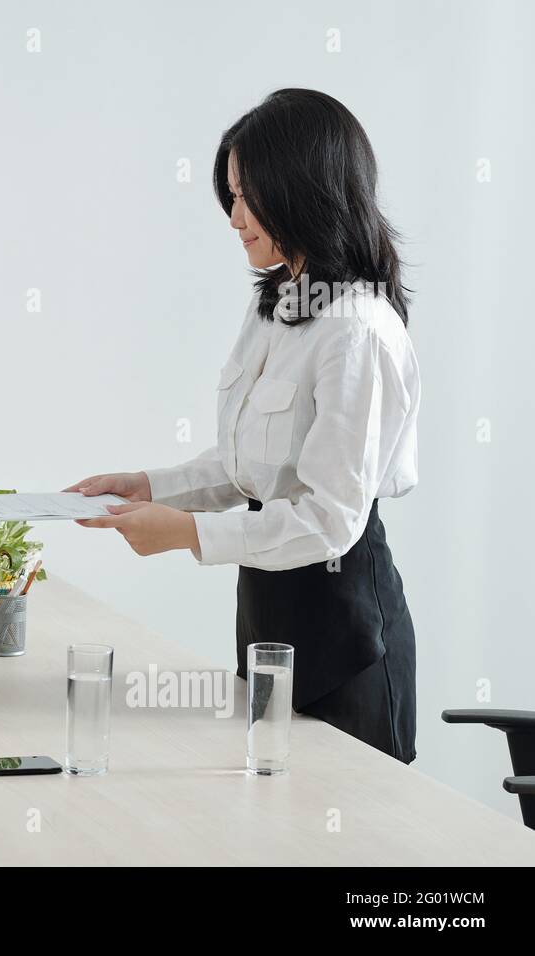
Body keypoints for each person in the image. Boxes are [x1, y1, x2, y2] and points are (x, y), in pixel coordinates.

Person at [66, 89, 420, 763]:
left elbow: (327, 520)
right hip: (267, 615)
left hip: (346, 638)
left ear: (301, 189)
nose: (233, 218)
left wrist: (186, 533)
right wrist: (148, 486)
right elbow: (244, 470)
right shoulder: (276, 307)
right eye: (229, 196)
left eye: (246, 195)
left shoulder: (357, 330)